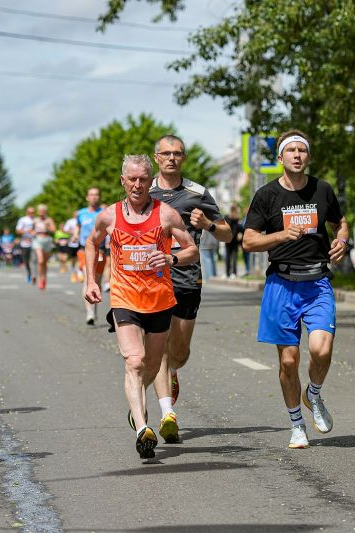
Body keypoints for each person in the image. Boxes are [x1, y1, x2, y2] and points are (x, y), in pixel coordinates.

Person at [85, 154, 198, 459]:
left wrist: (171, 258)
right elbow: (92, 243)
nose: (137, 185)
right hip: (124, 298)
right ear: (122, 181)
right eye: (132, 179)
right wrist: (91, 281)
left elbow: (192, 250)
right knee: (134, 362)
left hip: (159, 299)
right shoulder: (109, 216)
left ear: (151, 181)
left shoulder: (166, 215)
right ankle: (142, 429)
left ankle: (136, 404)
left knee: (151, 365)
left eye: (143, 179)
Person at [242, 130, 348, 449]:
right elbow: (248, 241)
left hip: (317, 282)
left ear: (308, 157)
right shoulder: (266, 195)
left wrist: (342, 240)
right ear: (280, 158)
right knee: (288, 362)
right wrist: (280, 236)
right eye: (291, 151)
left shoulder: (322, 190)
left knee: (321, 350)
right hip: (281, 284)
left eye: (303, 150)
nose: (297, 155)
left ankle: (312, 394)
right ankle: (297, 425)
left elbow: (340, 222)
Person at [148, 134, 232, 443]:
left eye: (177, 153)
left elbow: (227, 234)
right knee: (157, 347)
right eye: (166, 153)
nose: (171, 158)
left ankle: (173, 371)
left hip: (186, 277)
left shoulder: (197, 193)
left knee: (179, 351)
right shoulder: (144, 191)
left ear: (183, 158)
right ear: (156, 157)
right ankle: (166, 413)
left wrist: (208, 224)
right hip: (152, 279)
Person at [75, 188, 105, 324]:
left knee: (97, 282)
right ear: (87, 197)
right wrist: (75, 234)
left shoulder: (104, 213)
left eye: (96, 195)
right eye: (91, 195)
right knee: (88, 279)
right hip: (84, 250)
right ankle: (90, 312)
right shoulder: (81, 213)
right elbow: (78, 226)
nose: (94, 197)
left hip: (100, 250)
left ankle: (94, 308)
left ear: (99, 197)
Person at [32, 204, 56, 290]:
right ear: (38, 212)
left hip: (47, 240)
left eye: (43, 210)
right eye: (40, 210)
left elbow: (54, 230)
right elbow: (31, 229)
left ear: (45, 211)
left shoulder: (49, 220)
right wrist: (32, 232)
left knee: (44, 263)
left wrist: (47, 226)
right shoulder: (35, 220)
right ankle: (40, 279)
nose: (42, 212)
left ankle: (44, 278)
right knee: (40, 260)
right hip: (38, 240)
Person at [15, 207, 36, 284]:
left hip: (34, 243)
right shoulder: (23, 219)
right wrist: (27, 231)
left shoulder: (36, 220)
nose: (31, 213)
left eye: (33, 212)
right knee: (26, 261)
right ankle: (29, 274)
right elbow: (17, 231)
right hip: (25, 243)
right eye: (30, 212)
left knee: (34, 260)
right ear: (27, 212)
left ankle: (34, 275)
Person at [223, 205, 242, 278]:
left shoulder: (227, 217)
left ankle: (227, 273)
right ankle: (233, 273)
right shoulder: (236, 218)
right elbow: (238, 229)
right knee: (234, 258)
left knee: (228, 258)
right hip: (234, 241)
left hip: (228, 240)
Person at [62, 211, 80, 282]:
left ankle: (80, 274)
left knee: (81, 257)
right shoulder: (70, 221)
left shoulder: (82, 220)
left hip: (81, 242)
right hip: (72, 242)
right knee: (73, 259)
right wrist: (73, 232)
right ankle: (73, 273)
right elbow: (65, 230)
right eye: (76, 214)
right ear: (73, 215)